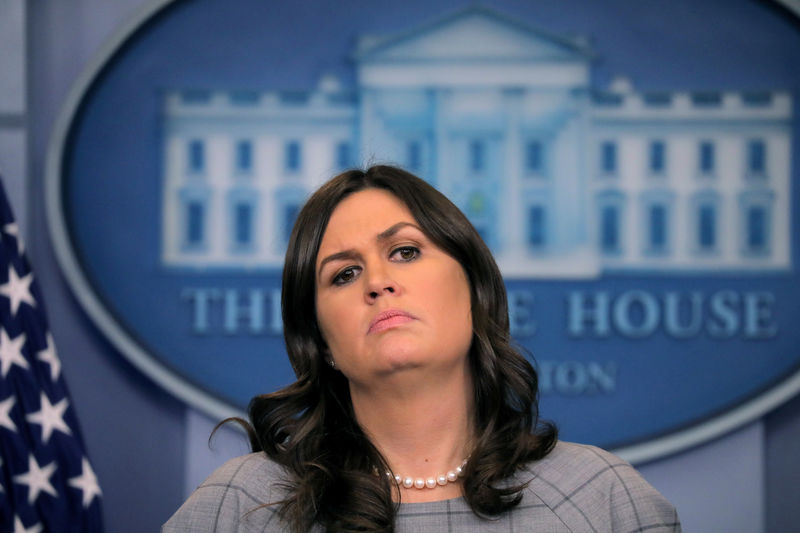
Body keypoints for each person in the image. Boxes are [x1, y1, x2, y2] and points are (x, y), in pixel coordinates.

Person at [163, 165, 681, 532]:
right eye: (344, 274)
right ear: (322, 344)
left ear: (475, 291)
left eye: (406, 251)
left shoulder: (600, 497)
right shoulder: (242, 506)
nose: (378, 282)